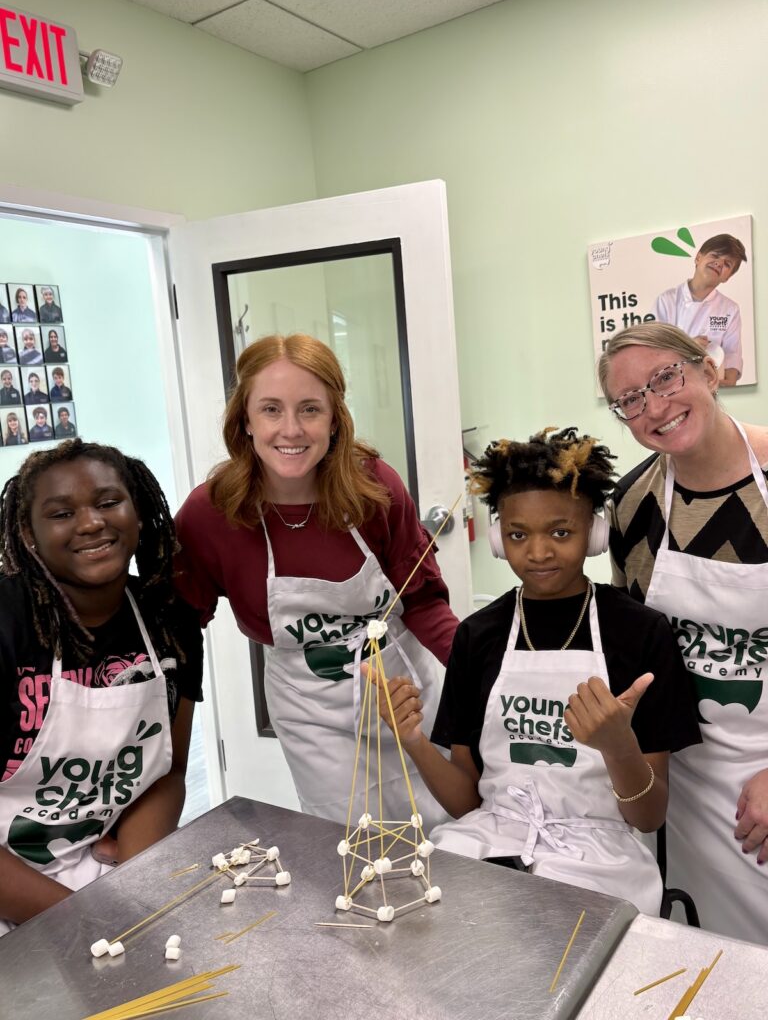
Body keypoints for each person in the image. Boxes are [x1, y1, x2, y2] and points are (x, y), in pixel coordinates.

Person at [376, 428, 701, 915]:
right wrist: (415, 742)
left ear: (593, 533)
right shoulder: (477, 636)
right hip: (490, 842)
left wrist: (618, 744)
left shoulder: (639, 634)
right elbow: (467, 802)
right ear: (497, 537)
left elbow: (649, 816)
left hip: (599, 858)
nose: (539, 552)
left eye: (561, 532)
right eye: (518, 535)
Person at [174, 333, 458, 828]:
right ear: (244, 419)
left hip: (406, 694)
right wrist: (166, 758)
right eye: (270, 410)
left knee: (452, 832)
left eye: (309, 409)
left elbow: (426, 602)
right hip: (311, 712)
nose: (291, 429)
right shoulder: (210, 513)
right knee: (357, 846)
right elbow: (176, 632)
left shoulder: (375, 489)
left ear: (334, 419)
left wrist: (490, 677)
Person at [599, 322, 768, 943]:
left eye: (666, 377)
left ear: (710, 370)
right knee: (715, 956)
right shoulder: (633, 505)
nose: (655, 406)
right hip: (688, 784)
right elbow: (636, 644)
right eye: (631, 400)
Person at [0, 439, 203, 934]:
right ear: (29, 533)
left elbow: (167, 772)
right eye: (62, 512)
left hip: (104, 873)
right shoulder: (6, 624)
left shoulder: (168, 619)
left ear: (137, 511)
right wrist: (87, 922)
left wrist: (131, 888)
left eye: (109, 502)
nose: (92, 523)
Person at [652, 234, 747, 387]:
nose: (719, 263)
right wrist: (689, 346)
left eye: (727, 264)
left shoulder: (730, 309)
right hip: (673, 384)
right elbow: (656, 351)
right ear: (698, 258)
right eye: (715, 255)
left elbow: (732, 353)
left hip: (712, 385)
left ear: (727, 277)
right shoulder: (666, 300)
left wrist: (727, 383)